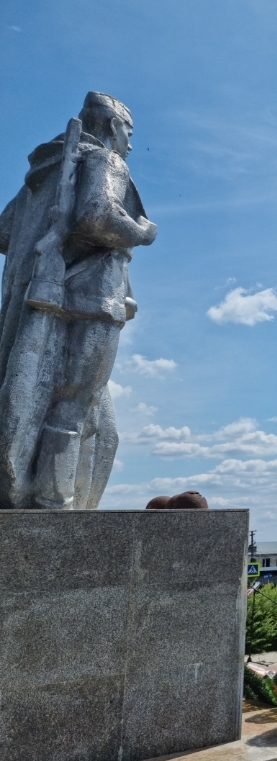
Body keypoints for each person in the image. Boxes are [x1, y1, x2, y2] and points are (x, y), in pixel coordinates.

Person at [0, 92, 158, 509]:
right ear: (111, 126)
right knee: (74, 406)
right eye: (128, 131)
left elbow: (3, 233)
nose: (129, 142)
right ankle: (55, 499)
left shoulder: (45, 172)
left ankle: (39, 491)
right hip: (91, 300)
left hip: (44, 302)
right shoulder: (105, 161)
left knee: (76, 408)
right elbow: (97, 215)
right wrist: (142, 232)